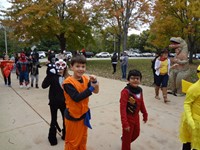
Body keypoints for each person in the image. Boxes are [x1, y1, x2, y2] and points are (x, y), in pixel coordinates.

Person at [62, 54, 99, 150]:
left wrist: (95, 82)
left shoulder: (86, 79)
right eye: (77, 66)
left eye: (83, 66)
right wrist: (91, 87)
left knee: (82, 140)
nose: (80, 69)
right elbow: (76, 98)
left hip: (83, 115)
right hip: (73, 117)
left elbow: (96, 91)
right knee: (72, 142)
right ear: (72, 67)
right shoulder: (68, 82)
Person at [42, 58, 69, 146]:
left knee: (65, 119)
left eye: (62, 65)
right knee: (53, 119)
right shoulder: (53, 76)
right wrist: (49, 74)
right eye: (58, 65)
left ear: (65, 67)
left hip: (64, 103)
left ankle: (66, 134)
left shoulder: (68, 78)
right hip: (53, 102)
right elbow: (44, 86)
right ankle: (52, 137)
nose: (60, 67)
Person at [120, 69, 148, 150]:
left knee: (136, 134)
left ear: (140, 80)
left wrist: (145, 114)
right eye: (132, 78)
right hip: (128, 118)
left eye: (137, 78)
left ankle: (124, 139)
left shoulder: (140, 90)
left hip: (136, 117)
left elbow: (141, 103)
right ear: (128, 80)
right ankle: (125, 143)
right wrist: (125, 123)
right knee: (127, 140)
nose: (135, 80)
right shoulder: (125, 92)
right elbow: (122, 109)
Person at [179, 65, 200, 150]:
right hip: (193, 120)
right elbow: (187, 104)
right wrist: (190, 120)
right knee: (189, 142)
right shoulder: (194, 88)